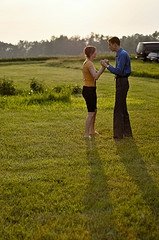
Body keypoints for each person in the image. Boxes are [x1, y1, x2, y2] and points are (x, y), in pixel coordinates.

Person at [101, 37, 133, 140]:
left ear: (115, 44)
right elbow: (119, 70)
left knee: (118, 109)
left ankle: (118, 136)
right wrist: (109, 65)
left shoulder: (122, 54)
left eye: (109, 44)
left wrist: (106, 66)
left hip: (122, 82)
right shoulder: (119, 54)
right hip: (121, 81)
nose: (109, 46)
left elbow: (119, 71)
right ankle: (127, 133)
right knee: (123, 108)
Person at [82, 46, 106, 138]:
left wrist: (103, 67)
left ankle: (92, 131)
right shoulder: (89, 63)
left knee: (94, 111)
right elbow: (96, 76)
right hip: (89, 90)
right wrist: (103, 67)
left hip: (90, 89)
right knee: (91, 112)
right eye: (95, 52)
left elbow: (95, 75)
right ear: (92, 53)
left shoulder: (88, 62)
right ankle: (86, 134)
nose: (96, 53)